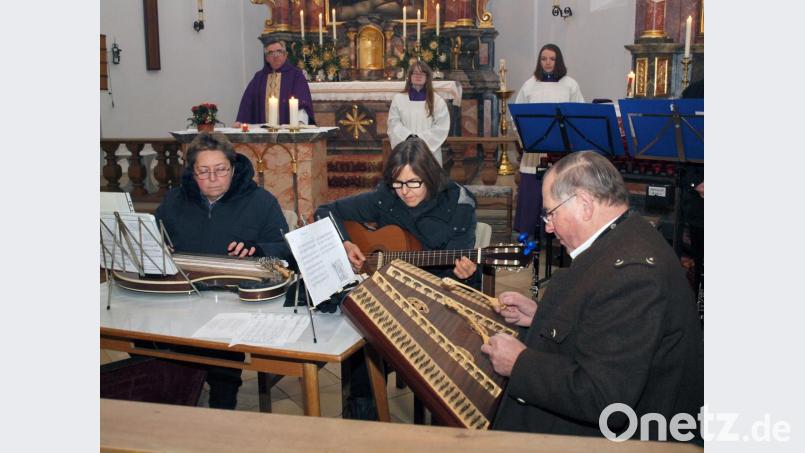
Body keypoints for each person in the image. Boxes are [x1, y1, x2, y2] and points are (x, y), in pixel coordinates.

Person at [481, 151, 703, 441]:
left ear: (585, 205)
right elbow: (603, 319)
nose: (548, 227)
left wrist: (519, 363)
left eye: (551, 213)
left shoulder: (633, 276)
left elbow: (605, 398)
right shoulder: (628, 233)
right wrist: (541, 316)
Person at [315, 136, 478, 420]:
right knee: (360, 328)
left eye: (414, 183)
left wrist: (462, 275)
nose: (405, 192)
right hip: (390, 293)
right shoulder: (386, 197)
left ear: (430, 176)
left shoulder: (458, 202)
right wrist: (345, 242)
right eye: (398, 183)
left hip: (439, 294)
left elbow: (461, 276)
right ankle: (363, 412)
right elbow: (325, 211)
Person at [154, 132, 291, 409]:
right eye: (204, 171)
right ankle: (177, 391)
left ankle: (221, 403)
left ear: (233, 167)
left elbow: (285, 251)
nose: (213, 178)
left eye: (221, 170)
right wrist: (160, 247)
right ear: (192, 172)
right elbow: (154, 237)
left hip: (235, 302)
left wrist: (258, 249)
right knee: (147, 341)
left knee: (221, 359)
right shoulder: (175, 200)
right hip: (182, 298)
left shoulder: (261, 201)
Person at [512, 43, 584, 238]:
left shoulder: (570, 85)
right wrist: (526, 138)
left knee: (558, 194)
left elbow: (579, 114)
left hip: (560, 151)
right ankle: (529, 236)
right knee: (532, 194)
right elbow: (516, 117)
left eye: (552, 59)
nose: (548, 63)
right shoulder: (530, 85)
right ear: (539, 61)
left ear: (558, 61)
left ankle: (557, 236)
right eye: (544, 59)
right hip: (535, 150)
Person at [234, 39, 315, 126]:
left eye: (279, 51)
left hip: (288, 130)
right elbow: (247, 102)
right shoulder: (259, 77)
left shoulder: (296, 75)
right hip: (263, 130)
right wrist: (241, 121)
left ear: (285, 55)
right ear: (267, 58)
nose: (275, 56)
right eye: (271, 53)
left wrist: (300, 122)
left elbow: (302, 101)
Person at [387, 61, 451, 166]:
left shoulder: (437, 100)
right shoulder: (398, 99)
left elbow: (441, 126)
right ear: (409, 76)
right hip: (405, 151)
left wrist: (420, 140)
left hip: (429, 151)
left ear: (427, 77)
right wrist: (408, 137)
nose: (418, 76)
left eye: (422, 73)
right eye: (415, 73)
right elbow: (393, 124)